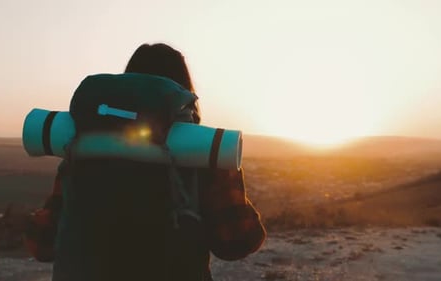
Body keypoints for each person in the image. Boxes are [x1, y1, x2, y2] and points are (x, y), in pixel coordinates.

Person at [24, 43, 266, 281]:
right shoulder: (204, 151)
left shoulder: (85, 147)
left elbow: (43, 245)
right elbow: (237, 242)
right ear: (183, 92)